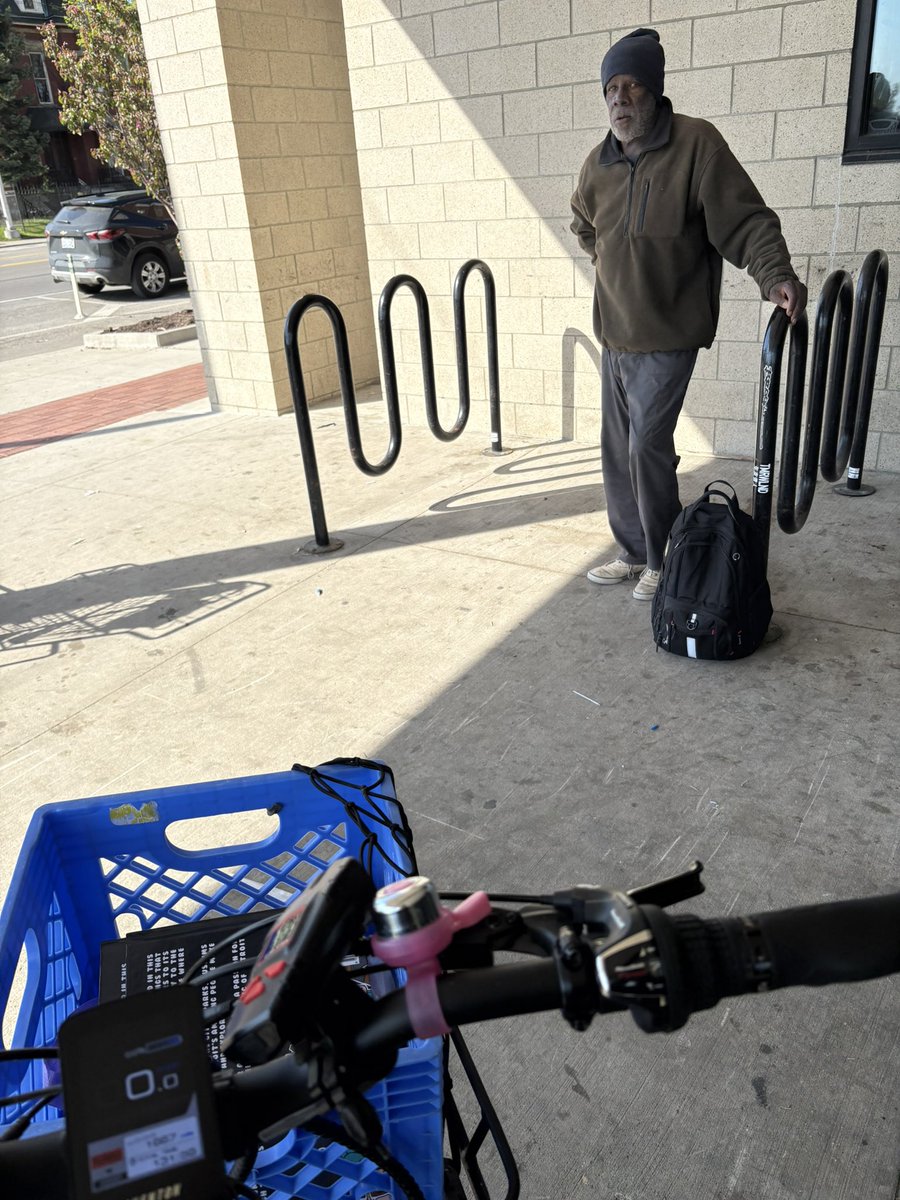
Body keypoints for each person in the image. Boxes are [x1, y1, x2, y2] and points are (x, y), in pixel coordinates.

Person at [570, 28, 807, 601]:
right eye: (611, 88)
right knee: (618, 450)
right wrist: (608, 259)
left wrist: (773, 273)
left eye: (631, 86)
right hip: (617, 334)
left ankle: (663, 555)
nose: (620, 99)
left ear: (654, 92)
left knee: (647, 445)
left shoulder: (696, 146)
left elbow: (746, 219)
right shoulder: (597, 164)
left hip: (670, 333)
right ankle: (632, 549)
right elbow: (582, 222)